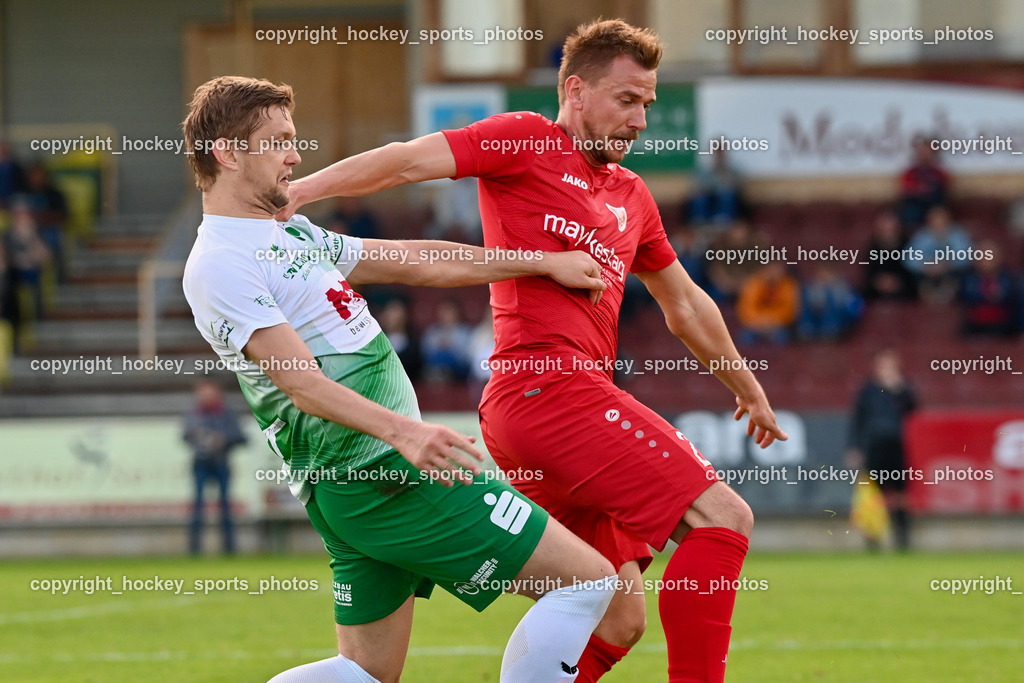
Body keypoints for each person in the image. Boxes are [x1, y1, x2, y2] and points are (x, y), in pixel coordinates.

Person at [279, 19, 787, 683]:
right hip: (546, 391)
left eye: (649, 105)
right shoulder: (524, 138)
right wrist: (297, 194)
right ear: (575, 91)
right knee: (725, 516)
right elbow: (406, 160)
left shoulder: (633, 197)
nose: (641, 120)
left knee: (616, 613)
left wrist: (745, 386)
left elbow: (685, 303)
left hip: (546, 413)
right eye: (627, 100)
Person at [181, 75, 618, 683]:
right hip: (379, 474)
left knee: (365, 673)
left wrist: (540, 261)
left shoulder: (289, 231)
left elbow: (417, 260)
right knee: (591, 583)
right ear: (228, 152)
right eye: (279, 141)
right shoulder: (219, 263)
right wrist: (406, 435)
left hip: (360, 478)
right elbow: (301, 383)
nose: (295, 155)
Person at [847, 349, 917, 550]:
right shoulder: (868, 390)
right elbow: (858, 419)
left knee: (900, 493)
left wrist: (898, 388)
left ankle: (902, 537)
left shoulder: (904, 389)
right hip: (873, 448)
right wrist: (855, 447)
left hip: (898, 446)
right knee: (872, 494)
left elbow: (914, 411)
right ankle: (873, 539)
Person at [183, 379, 247, 555]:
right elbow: (185, 436)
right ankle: (194, 549)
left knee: (226, 507)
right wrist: (198, 438)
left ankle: (229, 549)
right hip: (200, 463)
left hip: (221, 463)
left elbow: (241, 437)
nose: (206, 395)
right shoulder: (194, 413)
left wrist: (223, 440)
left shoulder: (227, 413)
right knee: (197, 507)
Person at [905, 205, 972, 304]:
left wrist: (947, 264)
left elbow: (966, 257)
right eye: (934, 219)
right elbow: (909, 260)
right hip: (926, 275)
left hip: (951, 273)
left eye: (942, 219)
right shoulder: (921, 236)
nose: (938, 223)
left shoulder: (958, 235)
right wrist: (926, 266)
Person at [736, 261, 800, 345]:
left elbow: (790, 310)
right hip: (755, 326)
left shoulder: (788, 285)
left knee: (782, 337)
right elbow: (746, 308)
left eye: (778, 268)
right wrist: (760, 321)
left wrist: (773, 321)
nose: (775, 271)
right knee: (745, 338)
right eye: (772, 267)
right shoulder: (754, 282)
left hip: (778, 326)